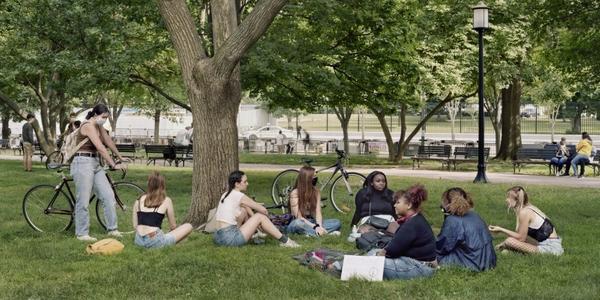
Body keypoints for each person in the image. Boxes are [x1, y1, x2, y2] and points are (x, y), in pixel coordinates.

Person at [71, 104, 129, 242]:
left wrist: (119, 156)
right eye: (104, 117)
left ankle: (112, 229)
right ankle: (82, 233)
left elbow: (107, 141)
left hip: (95, 163)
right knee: (83, 200)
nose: (105, 120)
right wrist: (113, 164)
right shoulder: (88, 125)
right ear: (96, 115)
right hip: (82, 162)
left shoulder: (98, 125)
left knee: (109, 196)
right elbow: (100, 147)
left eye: (106, 118)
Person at [214, 170, 300, 248]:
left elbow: (246, 206)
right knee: (260, 216)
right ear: (237, 184)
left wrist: (253, 211)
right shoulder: (239, 196)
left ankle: (255, 234)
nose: (247, 184)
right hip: (229, 239)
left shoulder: (226, 194)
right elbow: (263, 210)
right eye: (245, 181)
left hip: (218, 237)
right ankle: (286, 241)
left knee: (244, 209)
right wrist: (267, 221)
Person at [370, 185, 437, 280]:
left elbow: (392, 250)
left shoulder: (412, 224)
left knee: (371, 262)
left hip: (419, 268)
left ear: (409, 205)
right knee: (372, 253)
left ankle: (343, 267)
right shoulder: (415, 219)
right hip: (416, 263)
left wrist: (379, 255)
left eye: (398, 202)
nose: (394, 205)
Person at [488, 186, 563, 255]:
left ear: (516, 200)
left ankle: (508, 248)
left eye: (508, 197)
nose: (506, 200)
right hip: (549, 243)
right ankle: (508, 248)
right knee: (512, 241)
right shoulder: (528, 208)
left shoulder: (524, 212)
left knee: (509, 241)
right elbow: (520, 235)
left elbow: (521, 238)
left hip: (551, 248)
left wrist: (501, 230)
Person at [436, 187, 496, 272]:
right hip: (489, 260)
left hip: (473, 263)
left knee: (432, 256)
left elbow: (442, 247)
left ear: (447, 204)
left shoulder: (452, 220)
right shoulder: (475, 215)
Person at [133, 171, 193, 249]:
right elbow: (173, 226)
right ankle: (173, 243)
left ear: (149, 185)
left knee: (166, 236)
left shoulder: (138, 200)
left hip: (138, 241)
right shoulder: (166, 200)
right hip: (155, 241)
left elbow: (135, 226)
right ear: (162, 185)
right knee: (188, 226)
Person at [287, 166, 341, 236]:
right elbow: (299, 217)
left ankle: (312, 233)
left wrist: (320, 226)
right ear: (307, 179)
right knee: (297, 224)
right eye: (314, 176)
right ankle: (324, 233)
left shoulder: (316, 192)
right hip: (299, 222)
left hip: (311, 221)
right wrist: (315, 227)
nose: (315, 178)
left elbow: (318, 213)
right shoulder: (295, 193)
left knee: (336, 222)